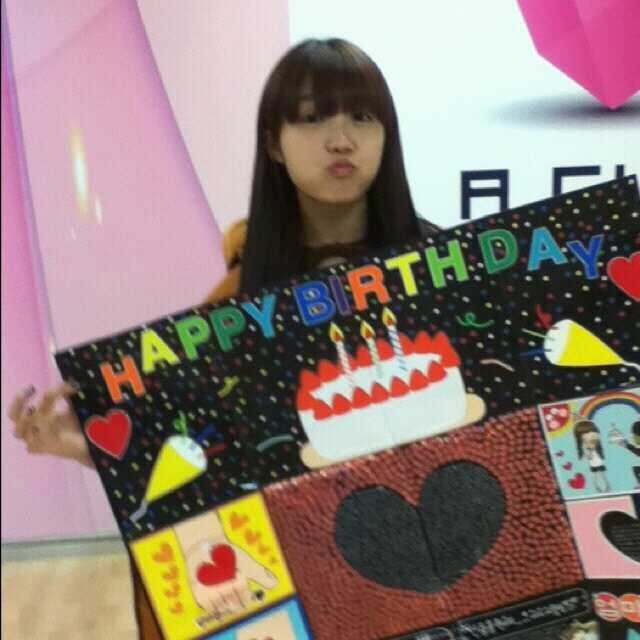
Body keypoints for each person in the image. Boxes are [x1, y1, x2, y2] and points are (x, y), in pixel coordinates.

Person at [9, 38, 439, 638]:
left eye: (363, 117)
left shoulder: (445, 272)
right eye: (312, 118)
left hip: (435, 562)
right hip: (317, 580)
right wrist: (89, 449)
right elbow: (201, 450)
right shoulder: (233, 304)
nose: (342, 139)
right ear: (274, 143)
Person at [573, 419, 610, 493]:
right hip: (593, 464)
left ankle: (607, 487)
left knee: (603, 475)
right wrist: (590, 449)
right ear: (580, 437)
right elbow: (589, 456)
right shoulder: (585, 447)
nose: (592, 434)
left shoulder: (597, 445)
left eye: (594, 431)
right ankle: (597, 488)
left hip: (599, 462)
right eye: (587, 432)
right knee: (595, 476)